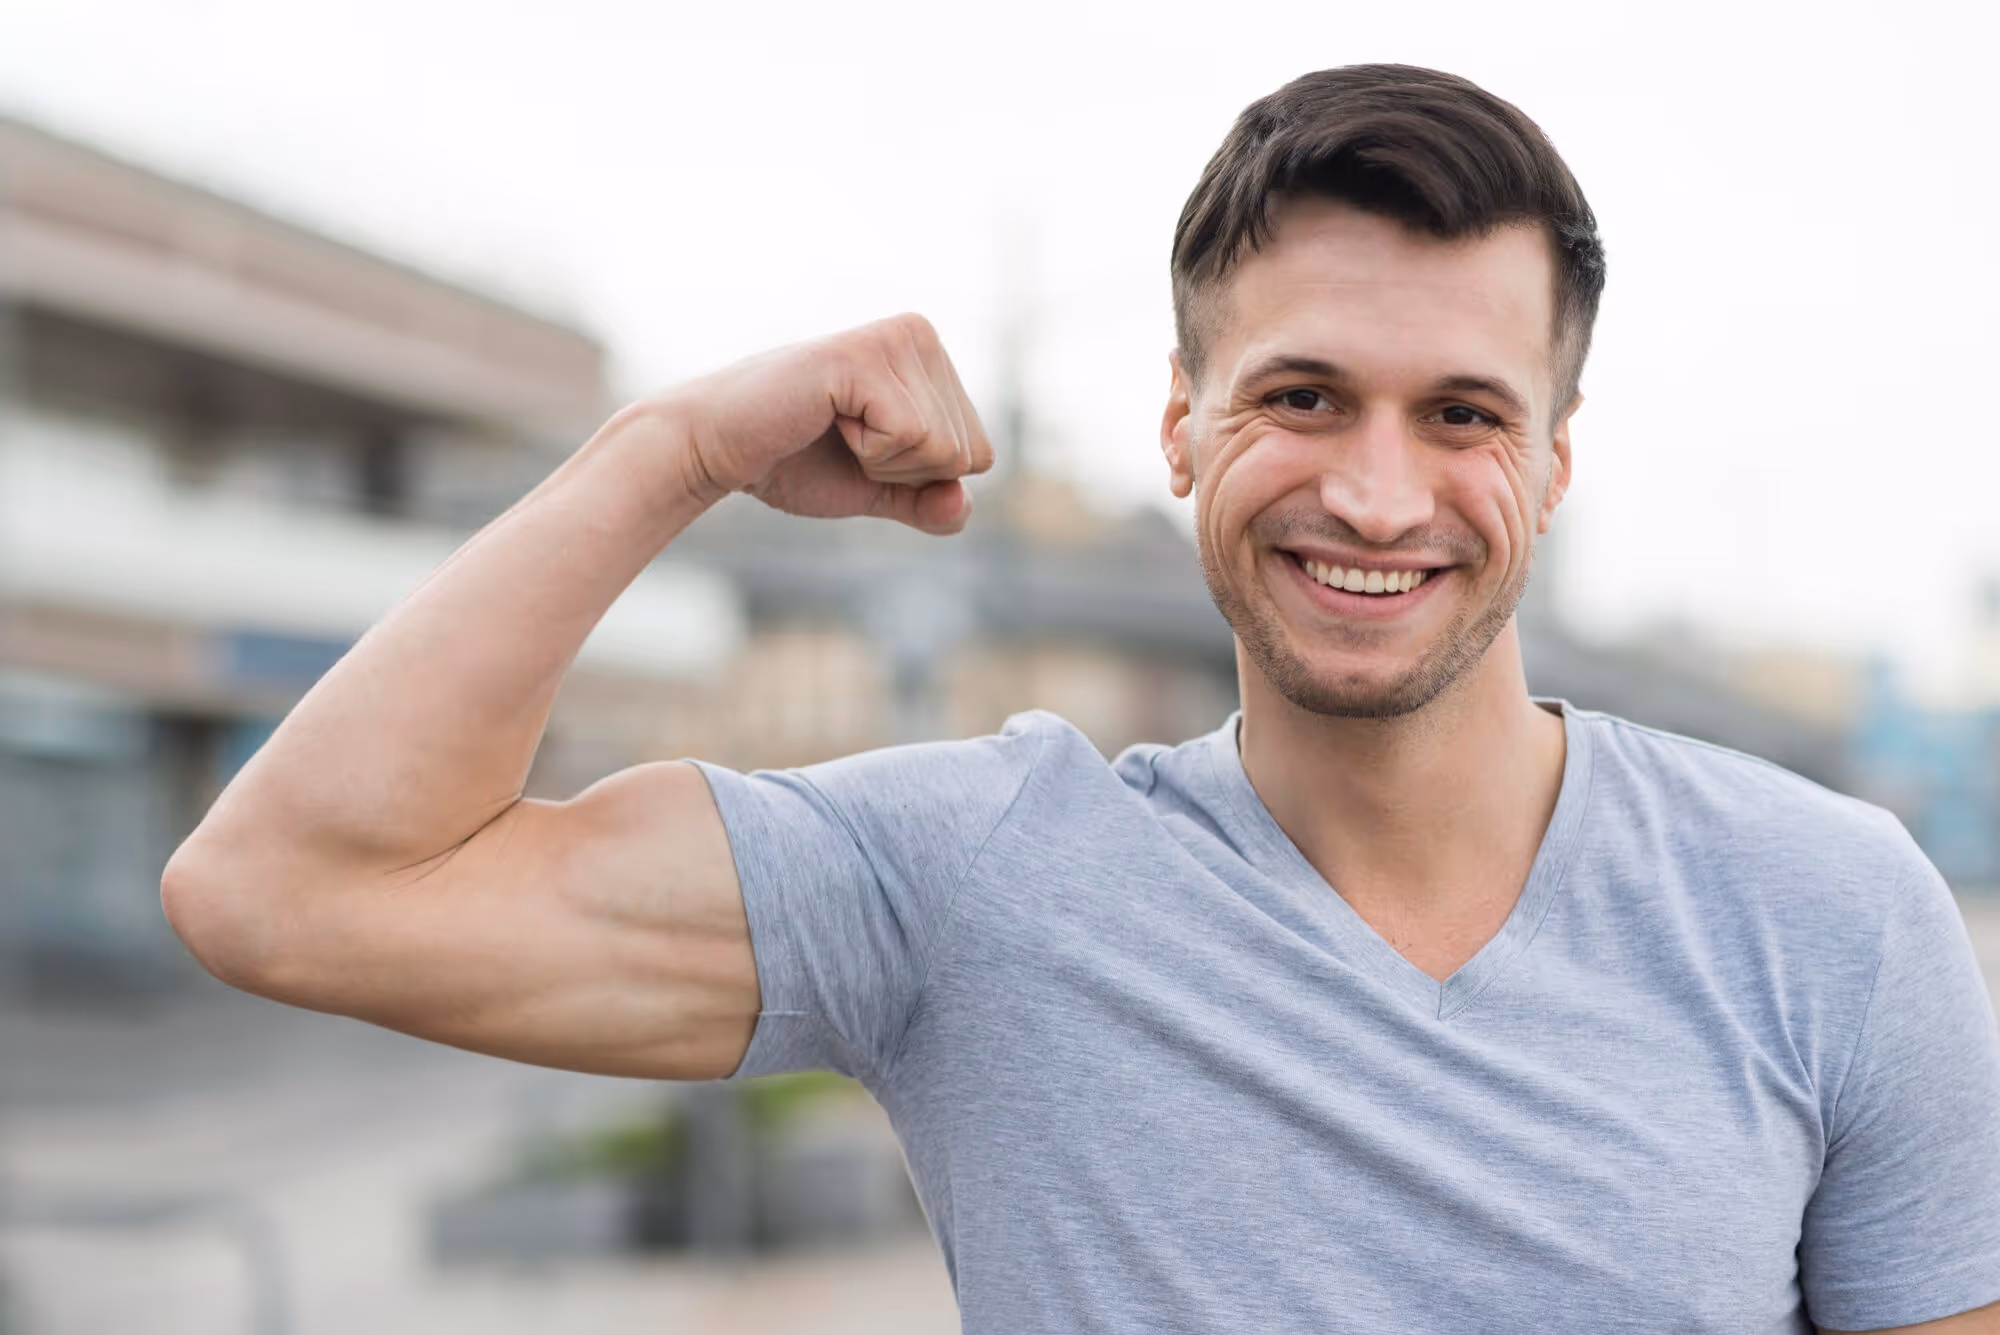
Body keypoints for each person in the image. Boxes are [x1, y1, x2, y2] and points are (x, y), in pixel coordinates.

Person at [161, 65, 2000, 1334]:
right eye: (1301, 396)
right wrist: (674, 448)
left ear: (1557, 457)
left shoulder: (1829, 913)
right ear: (1181, 421)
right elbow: (290, 889)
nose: (1376, 491)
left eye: (1462, 413)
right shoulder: (973, 881)